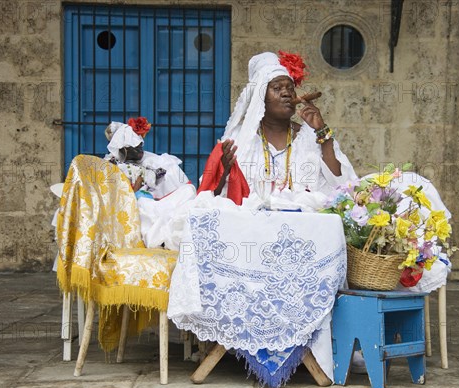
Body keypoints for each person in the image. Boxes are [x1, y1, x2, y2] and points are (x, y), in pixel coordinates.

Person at [198, 51, 356, 206]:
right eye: (277, 88)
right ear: (260, 98)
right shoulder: (238, 140)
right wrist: (224, 168)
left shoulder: (311, 135)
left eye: (290, 88)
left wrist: (322, 132)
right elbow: (212, 198)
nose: (286, 93)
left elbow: (342, 185)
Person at [104, 119, 196, 249]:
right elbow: (120, 199)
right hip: (137, 204)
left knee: (188, 190)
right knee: (149, 208)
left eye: (140, 146)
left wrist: (153, 177)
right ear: (123, 149)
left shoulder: (152, 159)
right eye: (135, 148)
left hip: (156, 201)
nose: (139, 151)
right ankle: (161, 236)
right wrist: (139, 184)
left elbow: (164, 181)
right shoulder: (112, 167)